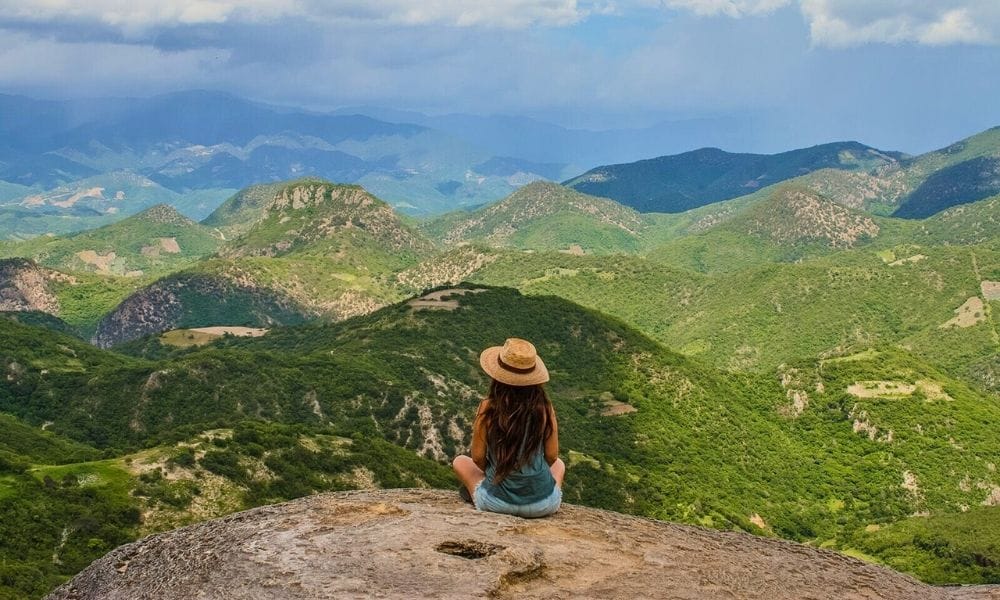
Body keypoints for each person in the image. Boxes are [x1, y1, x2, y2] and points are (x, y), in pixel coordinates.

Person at [452, 337, 565, 518]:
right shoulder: (544, 409)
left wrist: (498, 473)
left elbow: (478, 458)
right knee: (560, 465)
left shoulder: (488, 408)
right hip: (543, 506)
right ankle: (539, 493)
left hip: (496, 504)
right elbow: (552, 457)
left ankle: (485, 492)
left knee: (459, 461)